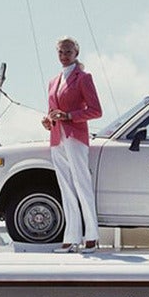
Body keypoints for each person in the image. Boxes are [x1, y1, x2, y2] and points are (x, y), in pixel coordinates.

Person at [43, 37, 102, 252]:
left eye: (68, 51)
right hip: (57, 137)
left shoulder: (83, 78)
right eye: (60, 51)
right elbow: (53, 110)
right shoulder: (53, 81)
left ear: (76, 52)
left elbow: (96, 110)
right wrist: (48, 120)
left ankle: (92, 236)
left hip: (75, 136)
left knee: (81, 183)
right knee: (65, 187)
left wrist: (68, 115)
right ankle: (71, 236)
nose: (64, 55)